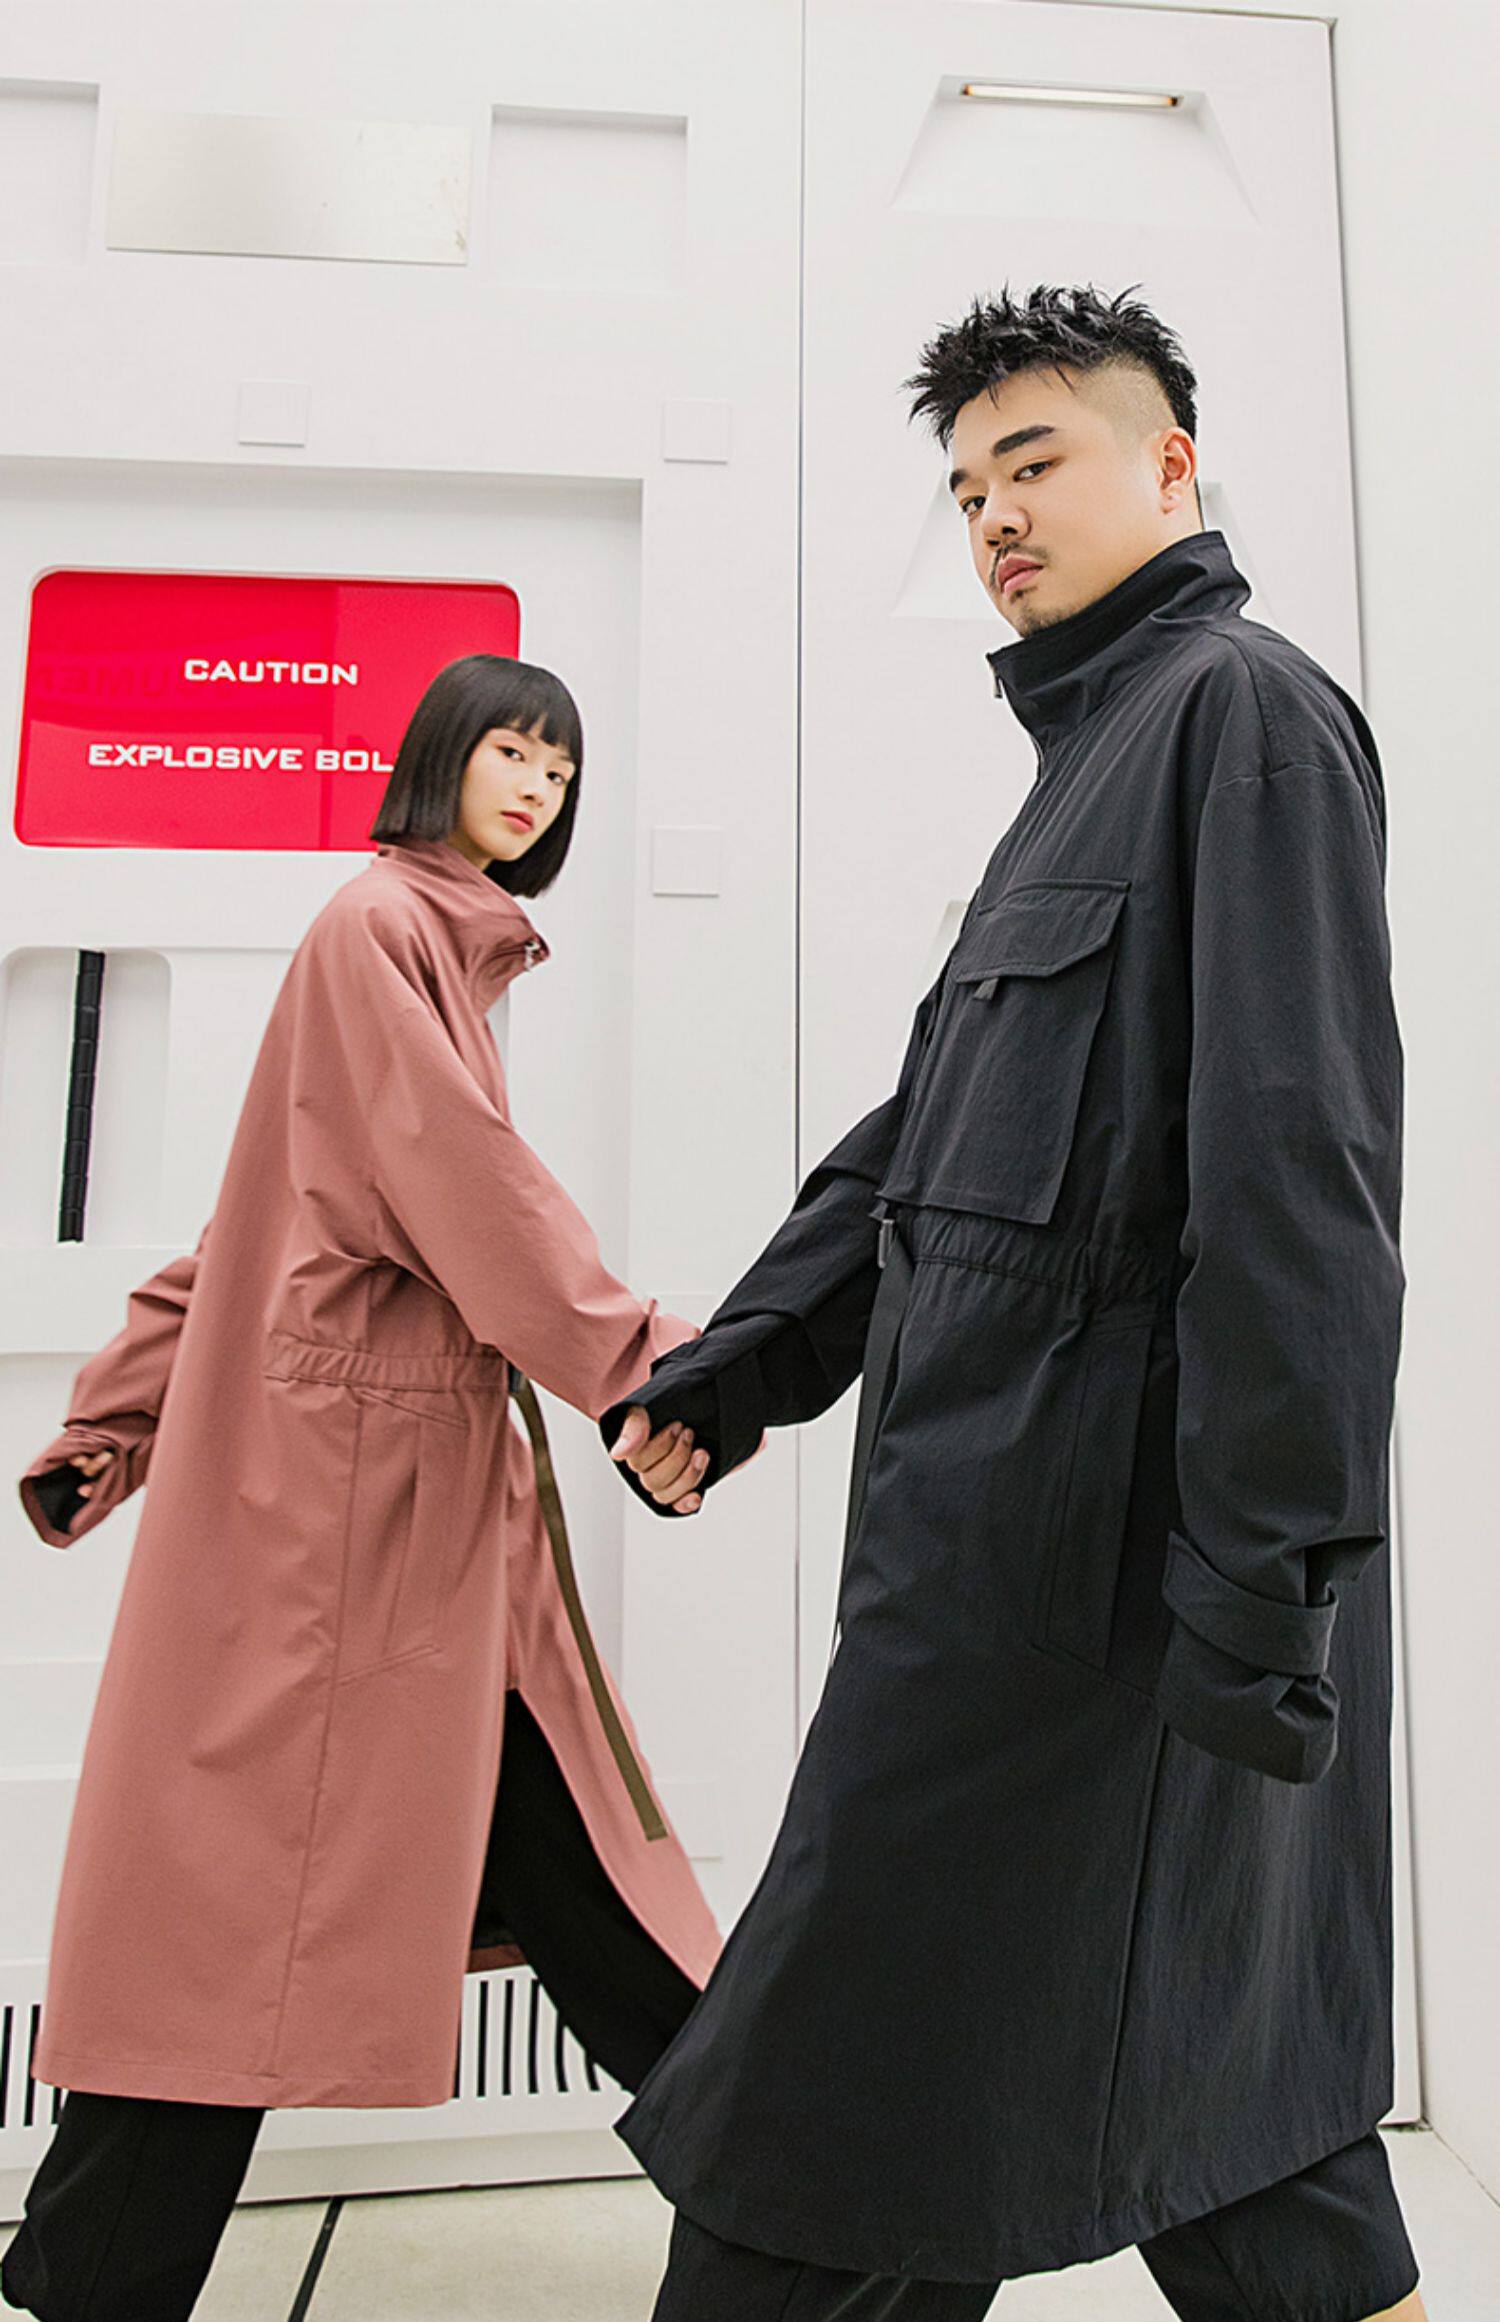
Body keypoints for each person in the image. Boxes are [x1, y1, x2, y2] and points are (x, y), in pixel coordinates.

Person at [601, 284, 1428, 2322]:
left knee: (834, 2100)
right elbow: (939, 1124)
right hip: (999, 1554)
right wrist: (752, 1361)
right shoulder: (1089, 759)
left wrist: (1265, 1586)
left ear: (1173, 462)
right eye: (967, 485)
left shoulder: (1243, 720)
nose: (994, 514)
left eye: (1034, 461)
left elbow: (1303, 1177)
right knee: (1214, 2107)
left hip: (1097, 1593)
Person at [2, 657, 723, 2321]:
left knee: (534, 1889)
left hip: (395, 1523)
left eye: (561, 766)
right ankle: (817, 2209)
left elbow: (255, 1210)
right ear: (439, 756)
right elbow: (466, 1195)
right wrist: (651, 1365)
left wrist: (114, 1419)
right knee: (257, 1917)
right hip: (350, 1528)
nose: (535, 784)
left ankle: (804, 2210)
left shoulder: (427, 947)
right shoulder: (381, 929)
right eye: (510, 749)